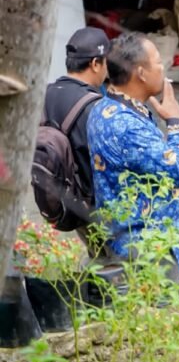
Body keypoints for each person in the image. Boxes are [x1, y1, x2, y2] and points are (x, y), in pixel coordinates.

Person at [88, 32, 179, 279]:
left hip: (143, 246)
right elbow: (178, 170)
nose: (163, 68)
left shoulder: (106, 107)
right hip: (150, 254)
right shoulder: (125, 124)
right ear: (141, 73)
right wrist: (176, 122)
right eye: (158, 62)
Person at [41, 28, 110, 236]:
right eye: (105, 62)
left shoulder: (46, 93)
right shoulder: (95, 107)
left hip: (66, 200)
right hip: (94, 208)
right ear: (95, 64)